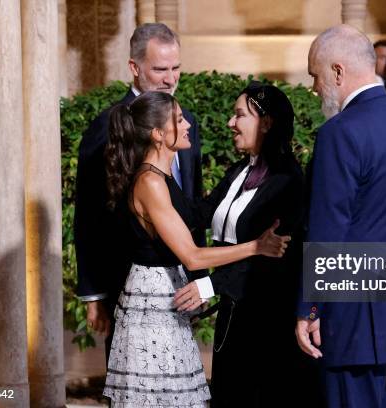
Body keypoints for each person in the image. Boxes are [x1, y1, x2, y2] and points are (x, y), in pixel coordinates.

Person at [101, 91, 290, 407]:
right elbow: (192, 254)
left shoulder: (160, 178)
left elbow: (197, 213)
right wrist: (256, 246)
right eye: (177, 119)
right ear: (158, 134)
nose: (187, 124)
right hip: (155, 299)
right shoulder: (150, 182)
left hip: (167, 296)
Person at [295, 25, 386, 407]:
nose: (314, 88)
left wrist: (310, 309)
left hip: (354, 322)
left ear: (337, 72)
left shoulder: (340, 133)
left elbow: (328, 231)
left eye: (315, 75)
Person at [173, 82, 321, 407]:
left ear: (266, 122)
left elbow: (273, 259)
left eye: (239, 115)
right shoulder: (240, 170)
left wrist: (210, 285)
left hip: (266, 323)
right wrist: (155, 173)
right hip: (233, 314)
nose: (231, 122)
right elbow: (197, 213)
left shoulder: (288, 182)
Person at [73, 23, 205, 359]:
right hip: (126, 286)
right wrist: (94, 295)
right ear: (134, 68)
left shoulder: (187, 121)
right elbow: (88, 215)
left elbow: (192, 204)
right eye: (160, 69)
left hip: (181, 285)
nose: (170, 78)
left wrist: (201, 280)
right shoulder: (107, 127)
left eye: (176, 68)